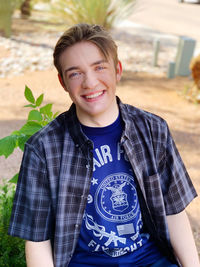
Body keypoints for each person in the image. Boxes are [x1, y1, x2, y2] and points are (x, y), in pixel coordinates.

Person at [8, 23, 199, 267]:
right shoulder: (44, 148)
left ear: (117, 70)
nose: (90, 82)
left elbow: (174, 212)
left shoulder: (153, 130)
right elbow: (37, 240)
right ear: (63, 82)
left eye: (100, 67)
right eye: (75, 73)